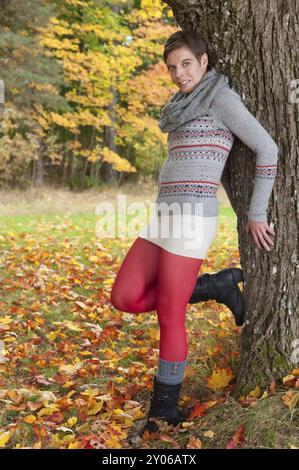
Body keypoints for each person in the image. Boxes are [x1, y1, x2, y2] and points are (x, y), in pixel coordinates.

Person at [110, 30, 278, 436]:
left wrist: (257, 212)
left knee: (170, 313)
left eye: (186, 63)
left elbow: (268, 148)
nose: (178, 73)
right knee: (125, 296)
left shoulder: (221, 98)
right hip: (162, 217)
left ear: (203, 61)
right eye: (171, 67)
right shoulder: (178, 106)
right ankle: (216, 287)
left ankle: (162, 414)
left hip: (192, 219)